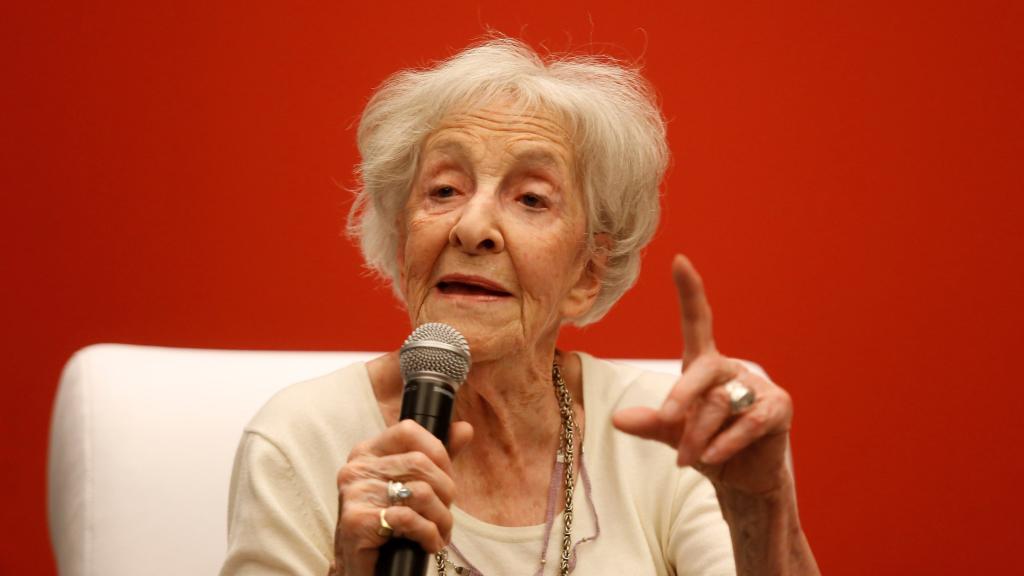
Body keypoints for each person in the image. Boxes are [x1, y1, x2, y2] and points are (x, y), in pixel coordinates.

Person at [220, 38, 819, 576]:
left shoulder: (667, 437)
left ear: (588, 272)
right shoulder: (301, 438)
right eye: (445, 190)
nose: (472, 227)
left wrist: (760, 508)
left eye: (532, 198)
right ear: (404, 245)